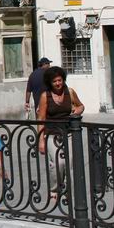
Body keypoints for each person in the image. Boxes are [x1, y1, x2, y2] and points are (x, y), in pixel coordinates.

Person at [37, 66, 85, 198]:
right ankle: (55, 189)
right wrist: (41, 140)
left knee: (70, 164)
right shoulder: (45, 96)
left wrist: (78, 110)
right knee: (58, 163)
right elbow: (41, 119)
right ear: (49, 82)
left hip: (69, 133)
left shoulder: (70, 92)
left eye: (60, 80)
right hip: (52, 134)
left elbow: (81, 105)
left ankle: (68, 191)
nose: (58, 83)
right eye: (54, 81)